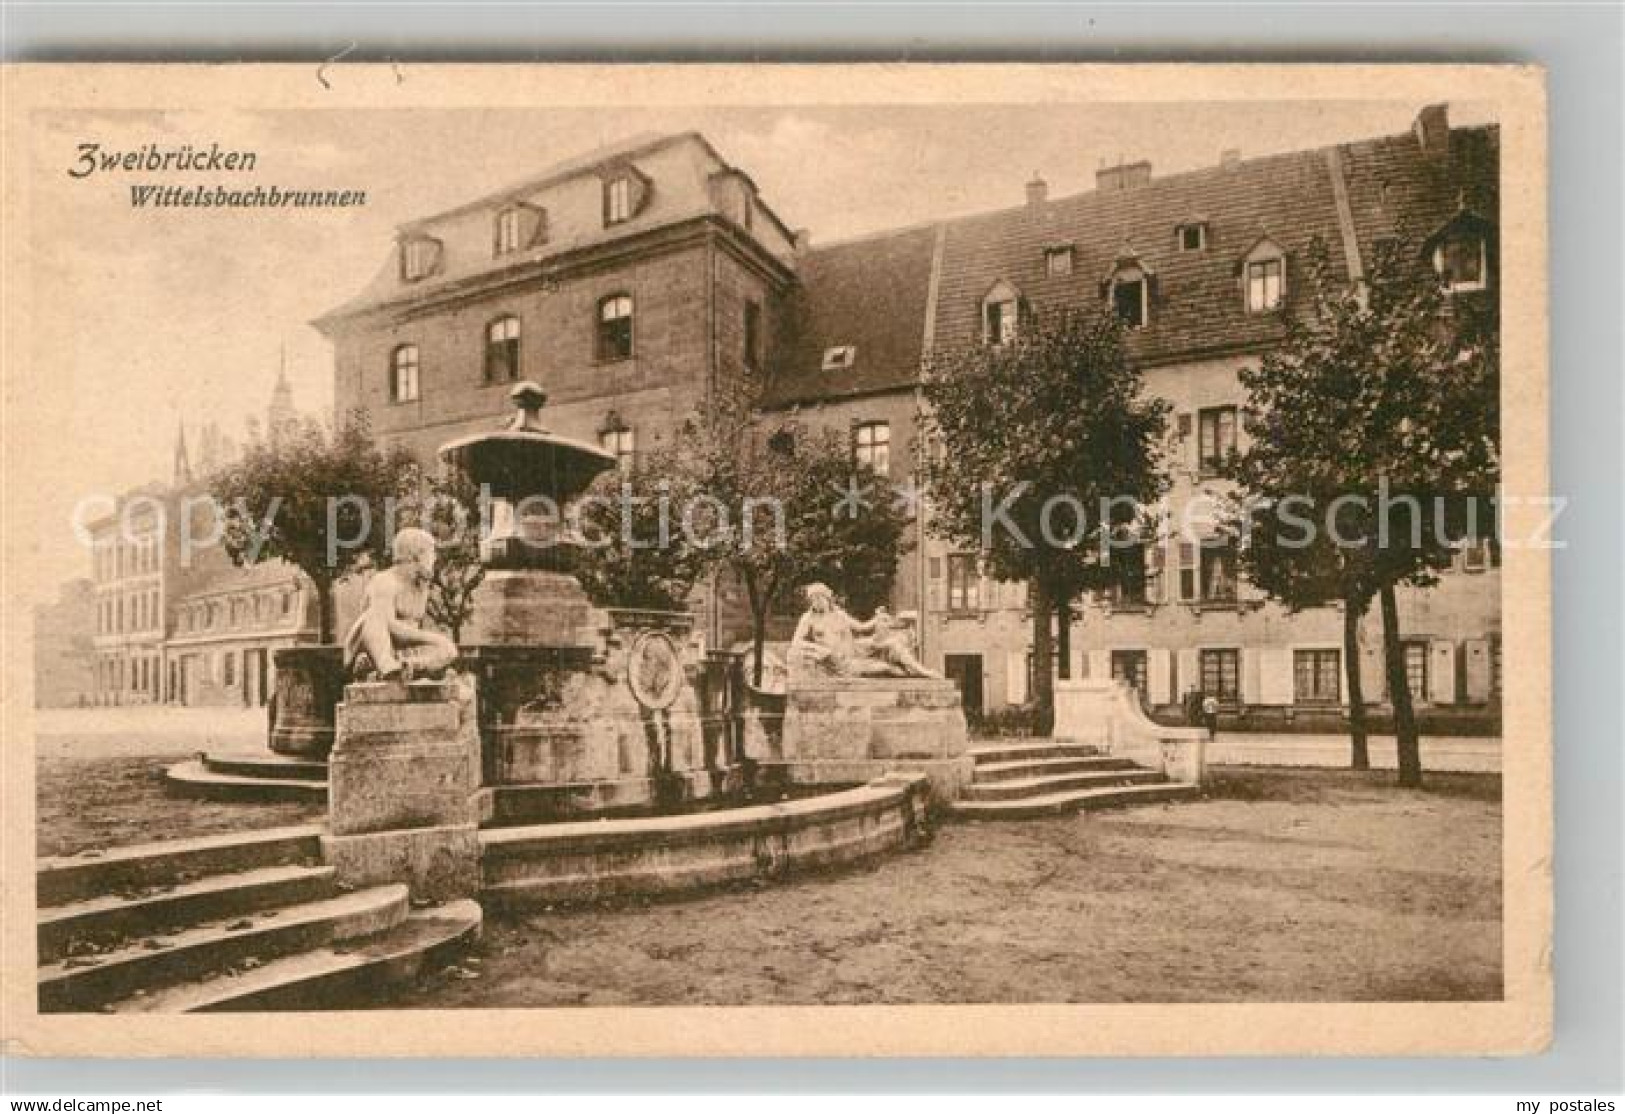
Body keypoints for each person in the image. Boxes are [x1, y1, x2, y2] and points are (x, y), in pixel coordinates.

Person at [342, 527, 458, 682]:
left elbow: (415, 628)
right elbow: (389, 625)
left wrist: (434, 643)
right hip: (377, 645)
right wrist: (432, 638)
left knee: (448, 650)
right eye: (431, 553)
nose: (435, 559)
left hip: (405, 650)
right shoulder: (384, 581)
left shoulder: (420, 587)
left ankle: (410, 667)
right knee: (374, 617)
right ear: (416, 555)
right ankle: (387, 667)